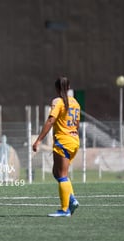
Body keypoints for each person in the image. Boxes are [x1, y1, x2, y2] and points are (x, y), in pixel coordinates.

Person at [33, 76, 80, 217]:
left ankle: (65, 209)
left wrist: (38, 140)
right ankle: (71, 200)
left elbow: (51, 120)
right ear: (69, 87)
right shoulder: (75, 102)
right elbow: (77, 124)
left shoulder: (58, 101)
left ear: (57, 88)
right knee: (57, 173)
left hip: (63, 141)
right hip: (74, 140)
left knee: (62, 175)